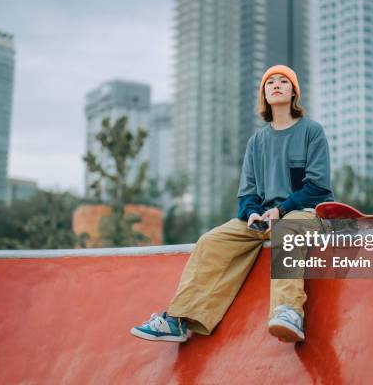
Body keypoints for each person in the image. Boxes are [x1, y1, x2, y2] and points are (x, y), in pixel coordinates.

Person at [130, 65, 334, 343]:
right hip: (265, 218)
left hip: (305, 214)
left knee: (288, 229)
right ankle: (178, 319)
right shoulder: (257, 142)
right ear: (264, 93)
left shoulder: (312, 131)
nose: (276, 85)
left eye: (283, 81)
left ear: (294, 92)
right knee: (211, 241)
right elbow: (247, 193)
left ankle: (289, 311)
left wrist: (282, 209)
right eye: (269, 82)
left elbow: (317, 187)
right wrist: (251, 213)